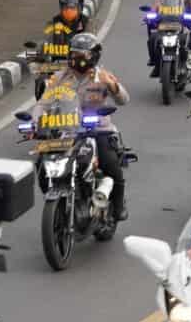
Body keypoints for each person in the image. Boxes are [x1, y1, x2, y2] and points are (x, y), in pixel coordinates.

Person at [41, 33, 130, 221]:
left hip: (99, 130)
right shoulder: (59, 77)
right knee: (43, 164)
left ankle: (119, 206)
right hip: (67, 130)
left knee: (110, 163)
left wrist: (112, 85)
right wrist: (38, 121)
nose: (78, 60)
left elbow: (124, 99)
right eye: (74, 55)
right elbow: (43, 103)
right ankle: (59, 194)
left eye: (83, 56)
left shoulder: (103, 76)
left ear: (94, 56)